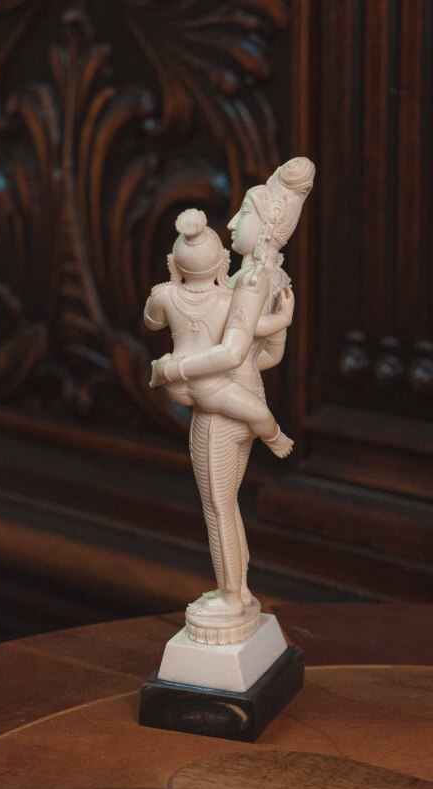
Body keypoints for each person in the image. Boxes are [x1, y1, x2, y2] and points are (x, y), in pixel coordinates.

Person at [150, 158, 315, 638]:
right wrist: (280, 323)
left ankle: (231, 595)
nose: (233, 224)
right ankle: (237, 592)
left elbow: (234, 351)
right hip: (245, 397)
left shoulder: (248, 281)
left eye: (244, 214)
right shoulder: (271, 279)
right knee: (228, 505)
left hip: (222, 415)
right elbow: (268, 356)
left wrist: (174, 368)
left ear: (266, 228)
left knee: (218, 507)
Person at [144, 208, 295, 457]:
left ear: (173, 262)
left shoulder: (163, 294)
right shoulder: (227, 300)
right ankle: (276, 439)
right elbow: (255, 327)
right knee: (260, 414)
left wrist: (169, 286)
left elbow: (153, 323)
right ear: (223, 263)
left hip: (175, 387)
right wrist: (283, 318)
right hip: (209, 386)